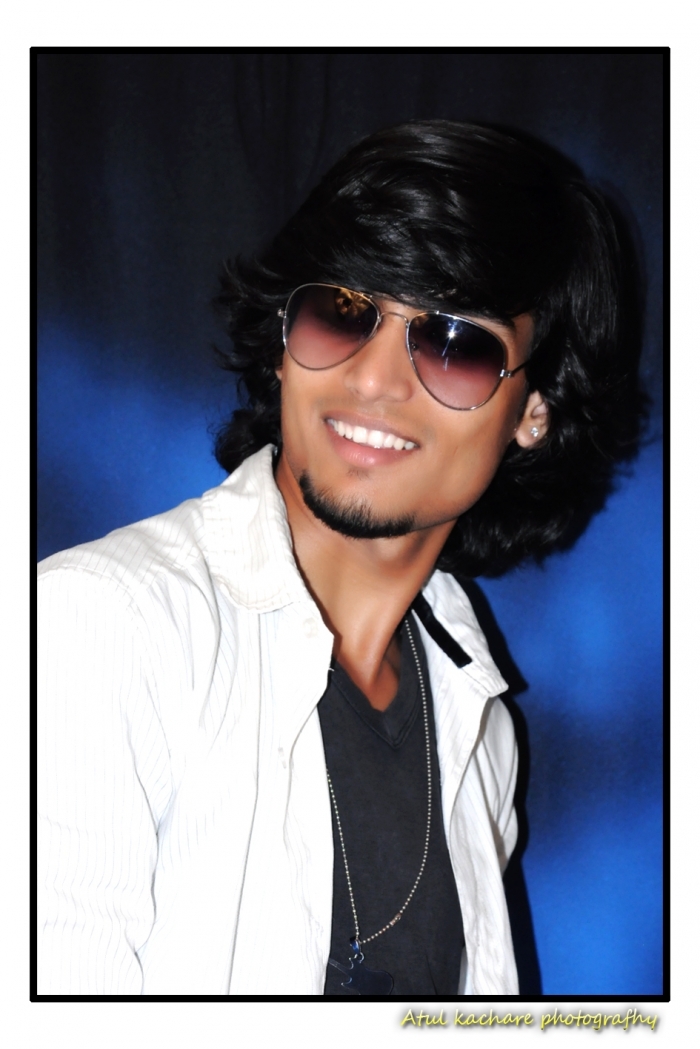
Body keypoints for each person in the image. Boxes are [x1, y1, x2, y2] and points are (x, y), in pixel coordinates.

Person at [37, 120, 643, 996]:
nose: (373, 378)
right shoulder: (100, 631)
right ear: (284, 344)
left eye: (454, 344)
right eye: (343, 311)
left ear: (534, 411)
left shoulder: (479, 727)